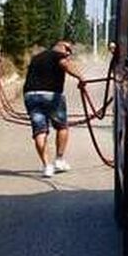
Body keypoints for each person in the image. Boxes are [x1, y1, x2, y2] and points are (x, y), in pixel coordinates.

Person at [23, 40, 86, 178]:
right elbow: (65, 65)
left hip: (31, 96)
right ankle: (59, 160)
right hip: (51, 95)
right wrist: (81, 78)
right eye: (68, 49)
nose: (68, 53)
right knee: (62, 126)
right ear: (60, 46)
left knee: (39, 131)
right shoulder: (57, 55)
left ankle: (47, 166)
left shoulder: (36, 58)